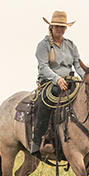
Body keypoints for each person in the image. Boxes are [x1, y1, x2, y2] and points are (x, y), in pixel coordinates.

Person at [29, 10, 85, 158]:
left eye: (63, 27)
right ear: (51, 27)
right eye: (57, 26)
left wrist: (87, 78)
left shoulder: (71, 45)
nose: (60, 29)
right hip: (50, 82)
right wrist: (57, 79)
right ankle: (39, 140)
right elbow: (43, 67)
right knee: (45, 101)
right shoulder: (44, 45)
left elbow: (77, 65)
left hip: (69, 80)